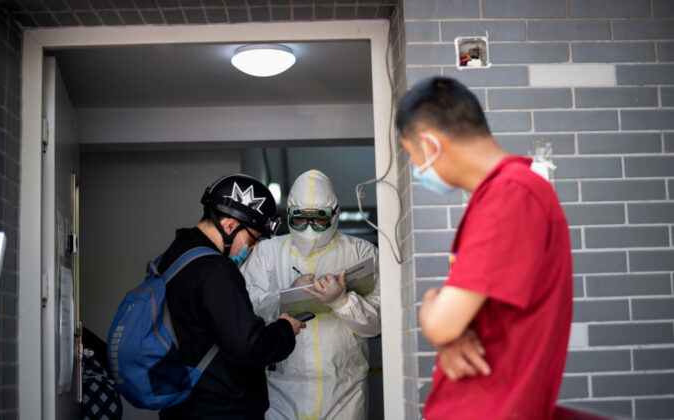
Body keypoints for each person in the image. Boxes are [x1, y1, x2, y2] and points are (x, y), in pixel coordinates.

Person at [396, 77, 573, 419]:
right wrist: (444, 319)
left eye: (412, 155)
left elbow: (441, 324)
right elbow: (456, 319)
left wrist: (435, 311)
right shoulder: (505, 192)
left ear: (430, 144)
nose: (418, 169)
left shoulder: (511, 194)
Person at [158, 174, 306, 420]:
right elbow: (247, 345)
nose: (251, 249)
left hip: (181, 406)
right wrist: (285, 329)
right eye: (252, 239)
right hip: (217, 409)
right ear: (229, 226)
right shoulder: (215, 269)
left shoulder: (172, 258)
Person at [241, 169, 381, 420]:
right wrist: (287, 295)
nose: (309, 228)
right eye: (301, 219)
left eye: (319, 219)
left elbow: (377, 325)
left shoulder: (362, 252)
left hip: (344, 390)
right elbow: (245, 316)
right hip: (280, 390)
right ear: (289, 214)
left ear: (334, 214)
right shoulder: (266, 254)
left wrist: (342, 301)